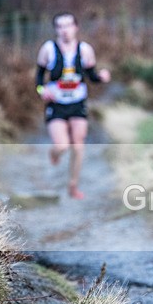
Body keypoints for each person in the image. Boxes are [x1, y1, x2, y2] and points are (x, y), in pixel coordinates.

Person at [35, 12, 110, 199]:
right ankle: (54, 153)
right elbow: (38, 78)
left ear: (75, 27)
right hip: (56, 104)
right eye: (59, 26)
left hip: (77, 102)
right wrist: (41, 90)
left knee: (78, 144)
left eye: (68, 25)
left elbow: (91, 75)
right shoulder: (48, 49)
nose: (64, 30)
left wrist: (101, 77)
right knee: (62, 146)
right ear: (56, 30)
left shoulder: (85, 50)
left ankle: (73, 185)